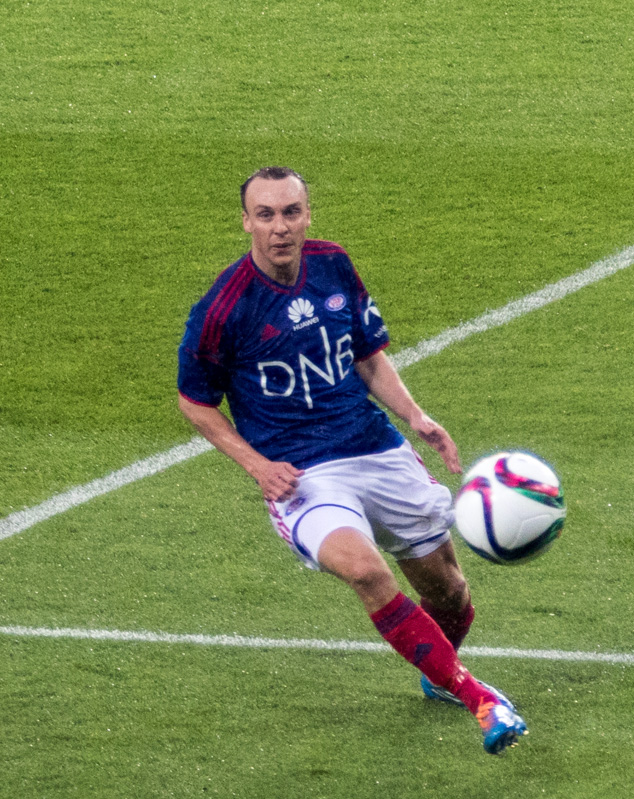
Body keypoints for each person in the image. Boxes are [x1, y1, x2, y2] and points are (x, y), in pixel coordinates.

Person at [177, 166, 526, 755]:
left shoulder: (334, 264)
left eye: (290, 212)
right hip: (302, 477)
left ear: (307, 214)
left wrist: (415, 417)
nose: (279, 227)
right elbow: (195, 403)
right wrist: (257, 466)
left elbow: (366, 356)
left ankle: (440, 670)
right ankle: (478, 699)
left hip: (375, 447)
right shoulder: (222, 309)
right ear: (245, 222)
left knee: (450, 594)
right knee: (366, 571)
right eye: (265, 215)